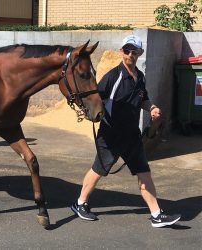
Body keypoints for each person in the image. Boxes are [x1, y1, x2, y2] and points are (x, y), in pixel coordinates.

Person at [70, 35, 181, 228]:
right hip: (111, 135)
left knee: (144, 173)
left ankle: (156, 214)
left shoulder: (140, 76)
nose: (130, 54)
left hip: (132, 136)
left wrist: (152, 108)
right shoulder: (113, 76)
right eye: (127, 50)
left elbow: (143, 98)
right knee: (99, 170)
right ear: (121, 51)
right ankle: (80, 203)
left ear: (140, 53)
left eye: (134, 51)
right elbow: (96, 99)